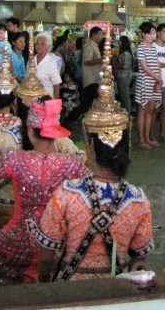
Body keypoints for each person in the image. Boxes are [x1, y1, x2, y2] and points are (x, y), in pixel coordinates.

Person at [36, 58, 153, 282]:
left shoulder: (66, 194)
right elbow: (140, 256)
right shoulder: (138, 199)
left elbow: (46, 256)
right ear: (126, 146)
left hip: (70, 290)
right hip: (116, 289)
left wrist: (44, 286)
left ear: (89, 146)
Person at [0, 98, 87, 284]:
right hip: (58, 244)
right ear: (56, 134)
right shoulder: (71, 164)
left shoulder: (16, 159)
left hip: (18, 243)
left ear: (30, 131)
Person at [134, 22, 162, 149]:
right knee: (142, 110)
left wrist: (158, 80)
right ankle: (141, 139)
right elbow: (144, 68)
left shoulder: (153, 48)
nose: (152, 36)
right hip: (145, 82)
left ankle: (147, 138)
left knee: (150, 111)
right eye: (149, 34)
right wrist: (157, 78)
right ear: (144, 34)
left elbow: (157, 65)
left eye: (153, 33)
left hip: (154, 82)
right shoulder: (140, 48)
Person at [76, 27, 104, 121]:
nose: (101, 36)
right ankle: (71, 118)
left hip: (95, 78)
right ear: (94, 35)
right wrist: (101, 60)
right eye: (100, 34)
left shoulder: (95, 45)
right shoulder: (89, 46)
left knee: (89, 102)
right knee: (86, 103)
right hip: (90, 79)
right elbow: (87, 61)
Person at [31, 32, 62, 99]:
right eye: (37, 43)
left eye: (42, 44)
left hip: (46, 99)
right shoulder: (31, 60)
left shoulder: (51, 62)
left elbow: (56, 84)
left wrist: (56, 103)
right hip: (31, 98)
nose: (39, 46)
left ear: (48, 46)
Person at [114, 36, 134, 113]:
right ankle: (124, 112)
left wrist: (117, 64)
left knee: (125, 96)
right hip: (122, 75)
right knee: (122, 95)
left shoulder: (125, 53)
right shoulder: (123, 53)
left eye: (120, 41)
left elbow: (125, 65)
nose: (118, 43)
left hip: (124, 76)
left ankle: (127, 113)